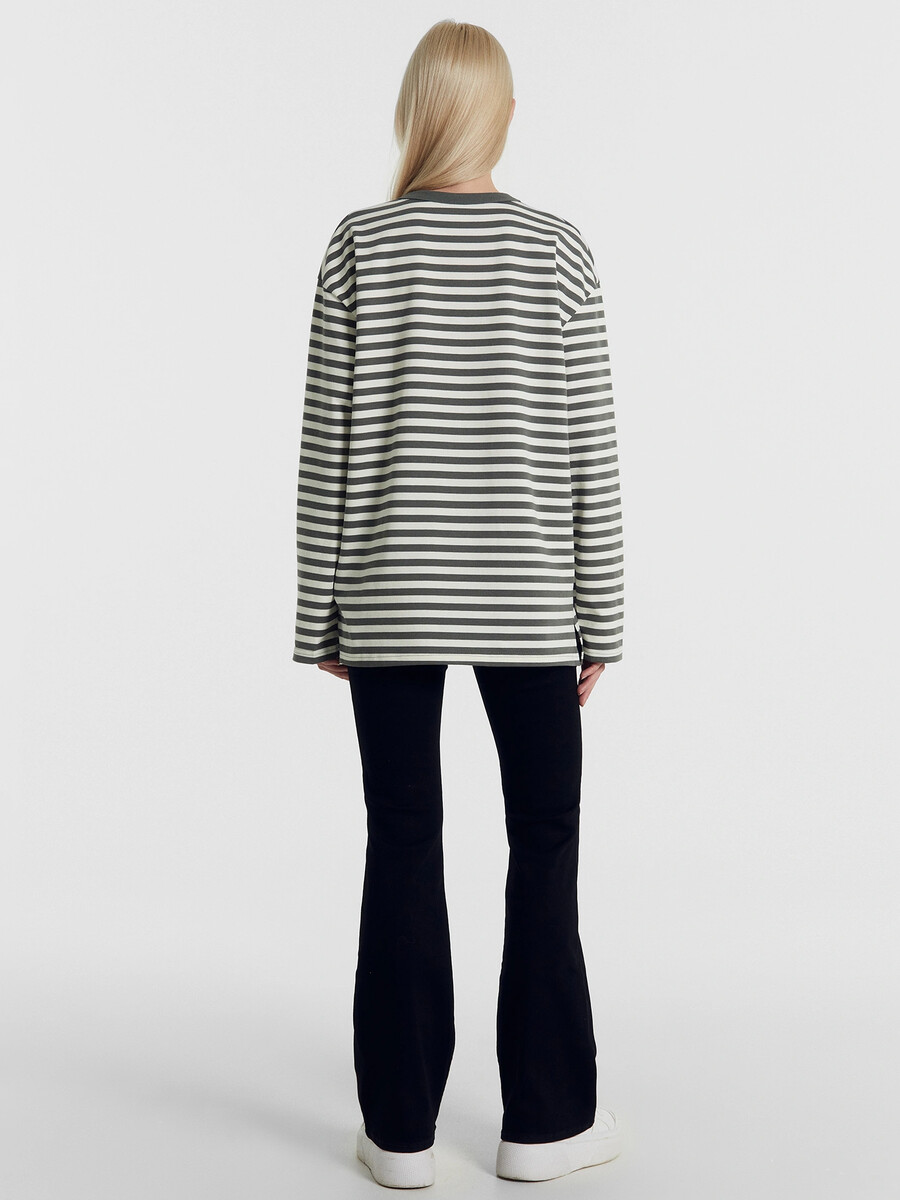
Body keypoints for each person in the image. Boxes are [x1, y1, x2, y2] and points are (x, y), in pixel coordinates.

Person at [293, 18, 625, 1189]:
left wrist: (320, 614)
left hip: (389, 598)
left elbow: (326, 452)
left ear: (416, 112)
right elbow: (590, 456)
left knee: (402, 839)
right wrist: (603, 618)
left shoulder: (359, 247)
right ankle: (545, 1123)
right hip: (530, 605)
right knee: (545, 843)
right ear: (504, 116)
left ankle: (399, 1136)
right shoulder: (558, 251)